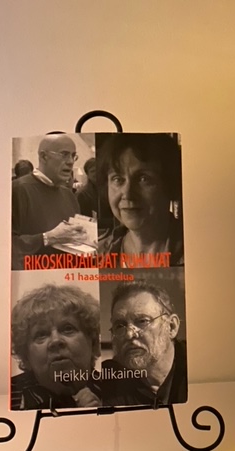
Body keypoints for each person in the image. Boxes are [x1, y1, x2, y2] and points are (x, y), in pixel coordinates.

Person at [97, 133, 184, 266]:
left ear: (171, 185)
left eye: (143, 179)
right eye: (117, 179)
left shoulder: (198, 250)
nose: (127, 194)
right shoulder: (96, 256)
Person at [11, 284, 102, 410]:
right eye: (41, 334)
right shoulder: (9, 396)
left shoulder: (118, 391)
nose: (55, 341)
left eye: (68, 329)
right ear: (26, 357)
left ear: (93, 343)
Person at [101, 280, 187, 406]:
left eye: (142, 321)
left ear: (171, 327)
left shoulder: (197, 366)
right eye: (120, 326)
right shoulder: (106, 382)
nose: (129, 334)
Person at [12, 134, 88, 269]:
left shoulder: (69, 195)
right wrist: (47, 238)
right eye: (64, 154)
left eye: (73, 156)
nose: (71, 161)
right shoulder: (17, 190)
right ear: (43, 156)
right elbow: (5, 247)